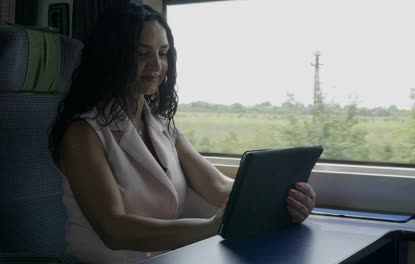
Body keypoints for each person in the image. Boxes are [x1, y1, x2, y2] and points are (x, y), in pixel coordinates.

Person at [48, 2, 316, 263]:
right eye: (142, 53)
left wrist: (284, 198)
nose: (156, 66)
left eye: (163, 53)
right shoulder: (83, 134)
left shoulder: (163, 127)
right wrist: (212, 227)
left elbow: (219, 187)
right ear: (112, 56)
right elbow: (114, 229)